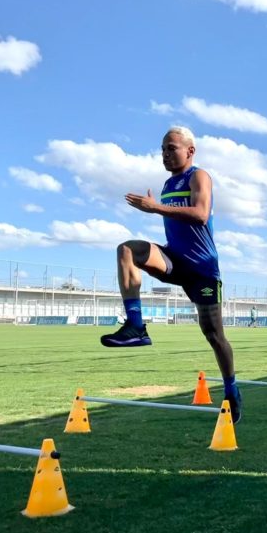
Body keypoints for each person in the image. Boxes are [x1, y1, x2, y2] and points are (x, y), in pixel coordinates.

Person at [99, 126, 241, 423]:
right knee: (127, 250)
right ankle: (136, 326)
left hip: (202, 268)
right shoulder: (168, 183)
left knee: (214, 336)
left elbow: (201, 214)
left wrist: (156, 208)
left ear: (190, 150)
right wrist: (158, 207)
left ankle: (231, 389)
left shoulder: (199, 176)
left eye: (171, 148)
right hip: (174, 259)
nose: (165, 154)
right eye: (163, 149)